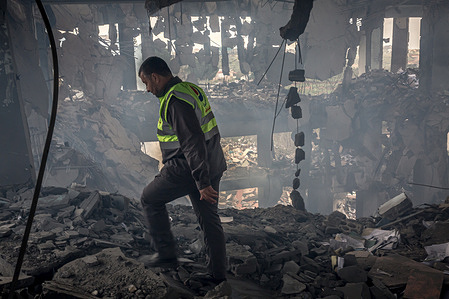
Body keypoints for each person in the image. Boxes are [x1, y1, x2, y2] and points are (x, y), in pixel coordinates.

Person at [138, 56, 227, 284]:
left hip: (187, 167)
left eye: (146, 82)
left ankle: (166, 255)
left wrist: (202, 182)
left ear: (155, 77)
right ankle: (218, 275)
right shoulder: (190, 89)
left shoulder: (175, 100)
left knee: (149, 199)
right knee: (209, 218)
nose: (147, 89)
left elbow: (192, 141)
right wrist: (205, 178)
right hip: (212, 162)